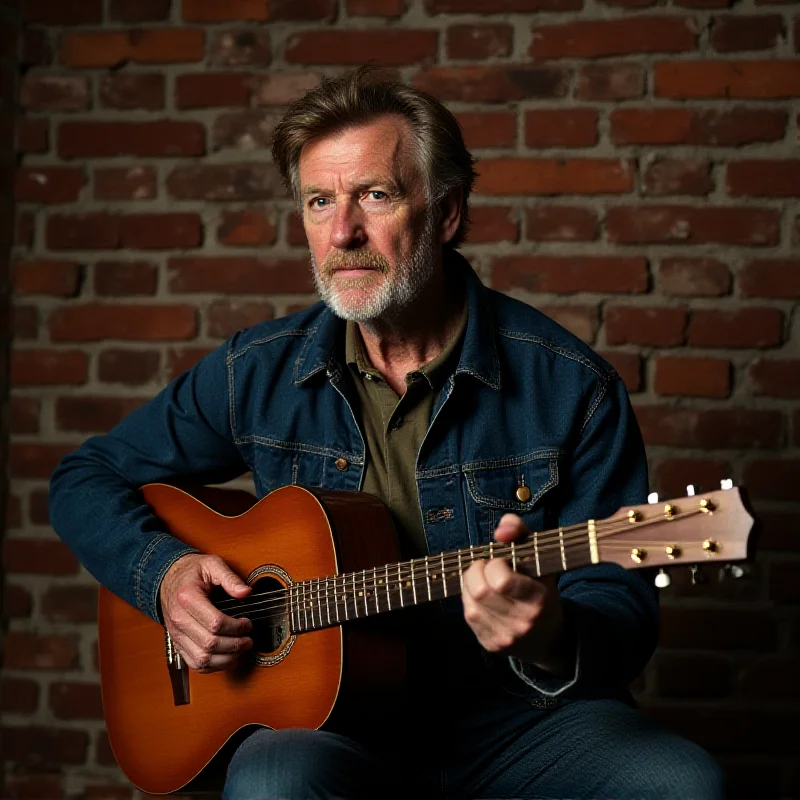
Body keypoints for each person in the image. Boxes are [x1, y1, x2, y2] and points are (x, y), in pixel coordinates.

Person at [50, 67, 723, 799]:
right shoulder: (258, 371)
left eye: (375, 194)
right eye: (319, 201)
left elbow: (620, 610)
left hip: (517, 722)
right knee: (273, 781)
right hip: (335, 726)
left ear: (447, 212)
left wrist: (548, 632)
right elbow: (84, 480)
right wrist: (167, 576)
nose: (343, 232)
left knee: (678, 782)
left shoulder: (570, 385)